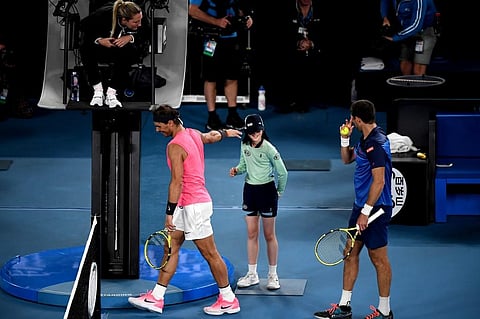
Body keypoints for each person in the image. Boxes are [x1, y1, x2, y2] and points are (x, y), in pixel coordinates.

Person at [128, 104, 243, 315]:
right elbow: (211, 137)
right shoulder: (193, 133)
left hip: (193, 206)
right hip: (185, 205)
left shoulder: (174, 146)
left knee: (210, 254)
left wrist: (168, 213)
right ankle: (157, 297)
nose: (157, 130)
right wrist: (227, 133)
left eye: (159, 126)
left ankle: (228, 299)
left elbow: (176, 182)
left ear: (170, 123)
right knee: (170, 247)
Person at [313, 99, 393, 319]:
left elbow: (379, 182)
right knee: (350, 254)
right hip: (362, 207)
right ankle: (344, 306)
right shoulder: (365, 138)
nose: (353, 123)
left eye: (353, 121)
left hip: (375, 209)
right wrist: (345, 137)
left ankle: (385, 311)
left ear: (358, 119)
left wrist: (366, 212)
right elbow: (347, 159)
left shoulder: (376, 143)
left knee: (379, 259)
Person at [229, 114, 288, 290]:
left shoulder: (269, 149)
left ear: (262, 130)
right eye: (252, 132)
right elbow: (244, 165)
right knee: (251, 234)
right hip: (250, 191)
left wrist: (279, 191)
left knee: (269, 235)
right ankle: (252, 274)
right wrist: (236, 170)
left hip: (267, 191)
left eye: (258, 131)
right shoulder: (244, 144)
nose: (255, 134)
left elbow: (283, 172)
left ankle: (272, 275)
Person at [188, 0, 253, 130]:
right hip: (210, 39)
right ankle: (212, 116)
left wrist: (245, 19)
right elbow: (192, 10)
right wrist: (216, 22)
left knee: (232, 76)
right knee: (210, 77)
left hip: (232, 38)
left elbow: (238, 8)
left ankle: (232, 114)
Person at [79, 0, 150, 108]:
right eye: (135, 22)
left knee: (128, 51)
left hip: (125, 50)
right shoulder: (104, 14)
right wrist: (99, 40)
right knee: (85, 48)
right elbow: (83, 26)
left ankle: (111, 93)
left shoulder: (140, 15)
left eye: (140, 21)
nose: (139, 24)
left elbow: (147, 32)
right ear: (124, 19)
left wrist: (130, 37)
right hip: (104, 46)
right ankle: (98, 90)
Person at [275, 0, 322, 113]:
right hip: (292, 51)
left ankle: (306, 100)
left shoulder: (319, 11)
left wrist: (311, 44)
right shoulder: (287, 11)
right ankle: (289, 99)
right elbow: (279, 33)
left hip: (315, 51)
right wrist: (297, 43)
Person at [380, 0, 437, 75]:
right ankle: (407, 85)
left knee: (417, 70)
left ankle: (419, 85)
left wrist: (396, 37)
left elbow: (416, 25)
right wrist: (385, 17)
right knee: (404, 63)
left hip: (423, 31)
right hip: (405, 30)